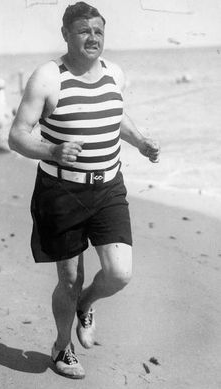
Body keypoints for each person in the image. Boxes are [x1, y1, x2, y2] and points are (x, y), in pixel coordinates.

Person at [9, 1, 160, 380]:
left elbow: (114, 113)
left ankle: (87, 304)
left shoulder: (114, 73)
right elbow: (16, 136)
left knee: (120, 274)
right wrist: (53, 150)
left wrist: (140, 141)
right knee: (69, 280)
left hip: (109, 186)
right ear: (66, 35)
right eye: (84, 31)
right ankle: (62, 347)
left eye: (98, 31)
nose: (93, 38)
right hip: (62, 190)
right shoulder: (48, 77)